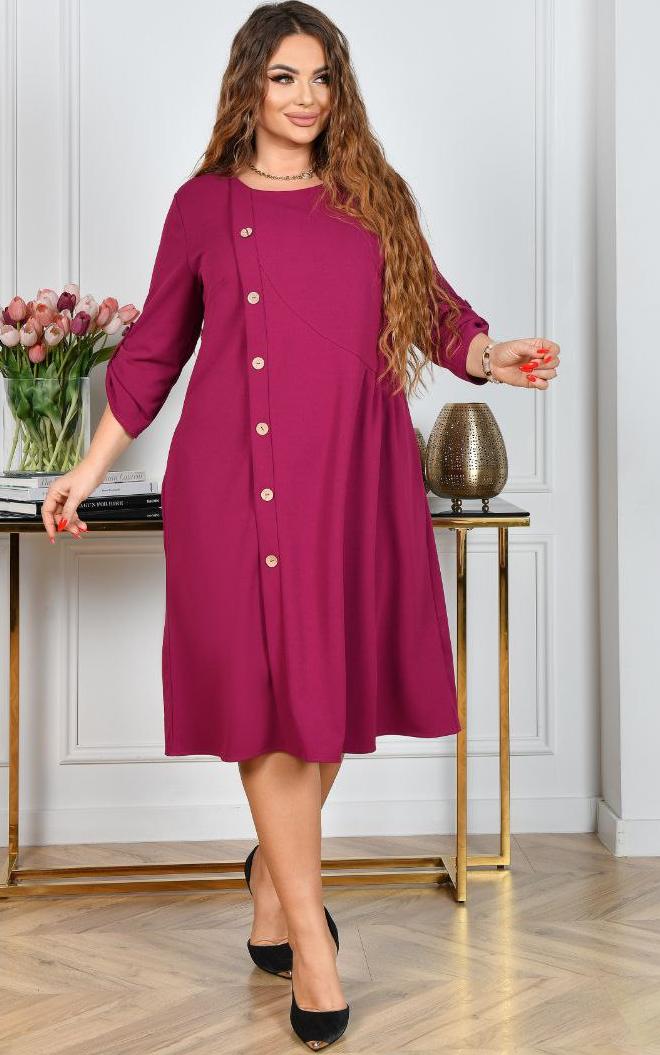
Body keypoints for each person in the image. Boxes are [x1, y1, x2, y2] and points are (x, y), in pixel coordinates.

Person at [40, 2, 560, 1047]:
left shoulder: (373, 196)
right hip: (237, 481)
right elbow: (154, 349)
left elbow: (433, 308)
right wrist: (86, 470)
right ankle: (313, 951)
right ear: (250, 84)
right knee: (272, 701)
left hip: (355, 476)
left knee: (328, 690)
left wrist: (491, 356)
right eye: (284, 76)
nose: (306, 97)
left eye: (322, 77)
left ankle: (274, 882)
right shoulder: (203, 206)